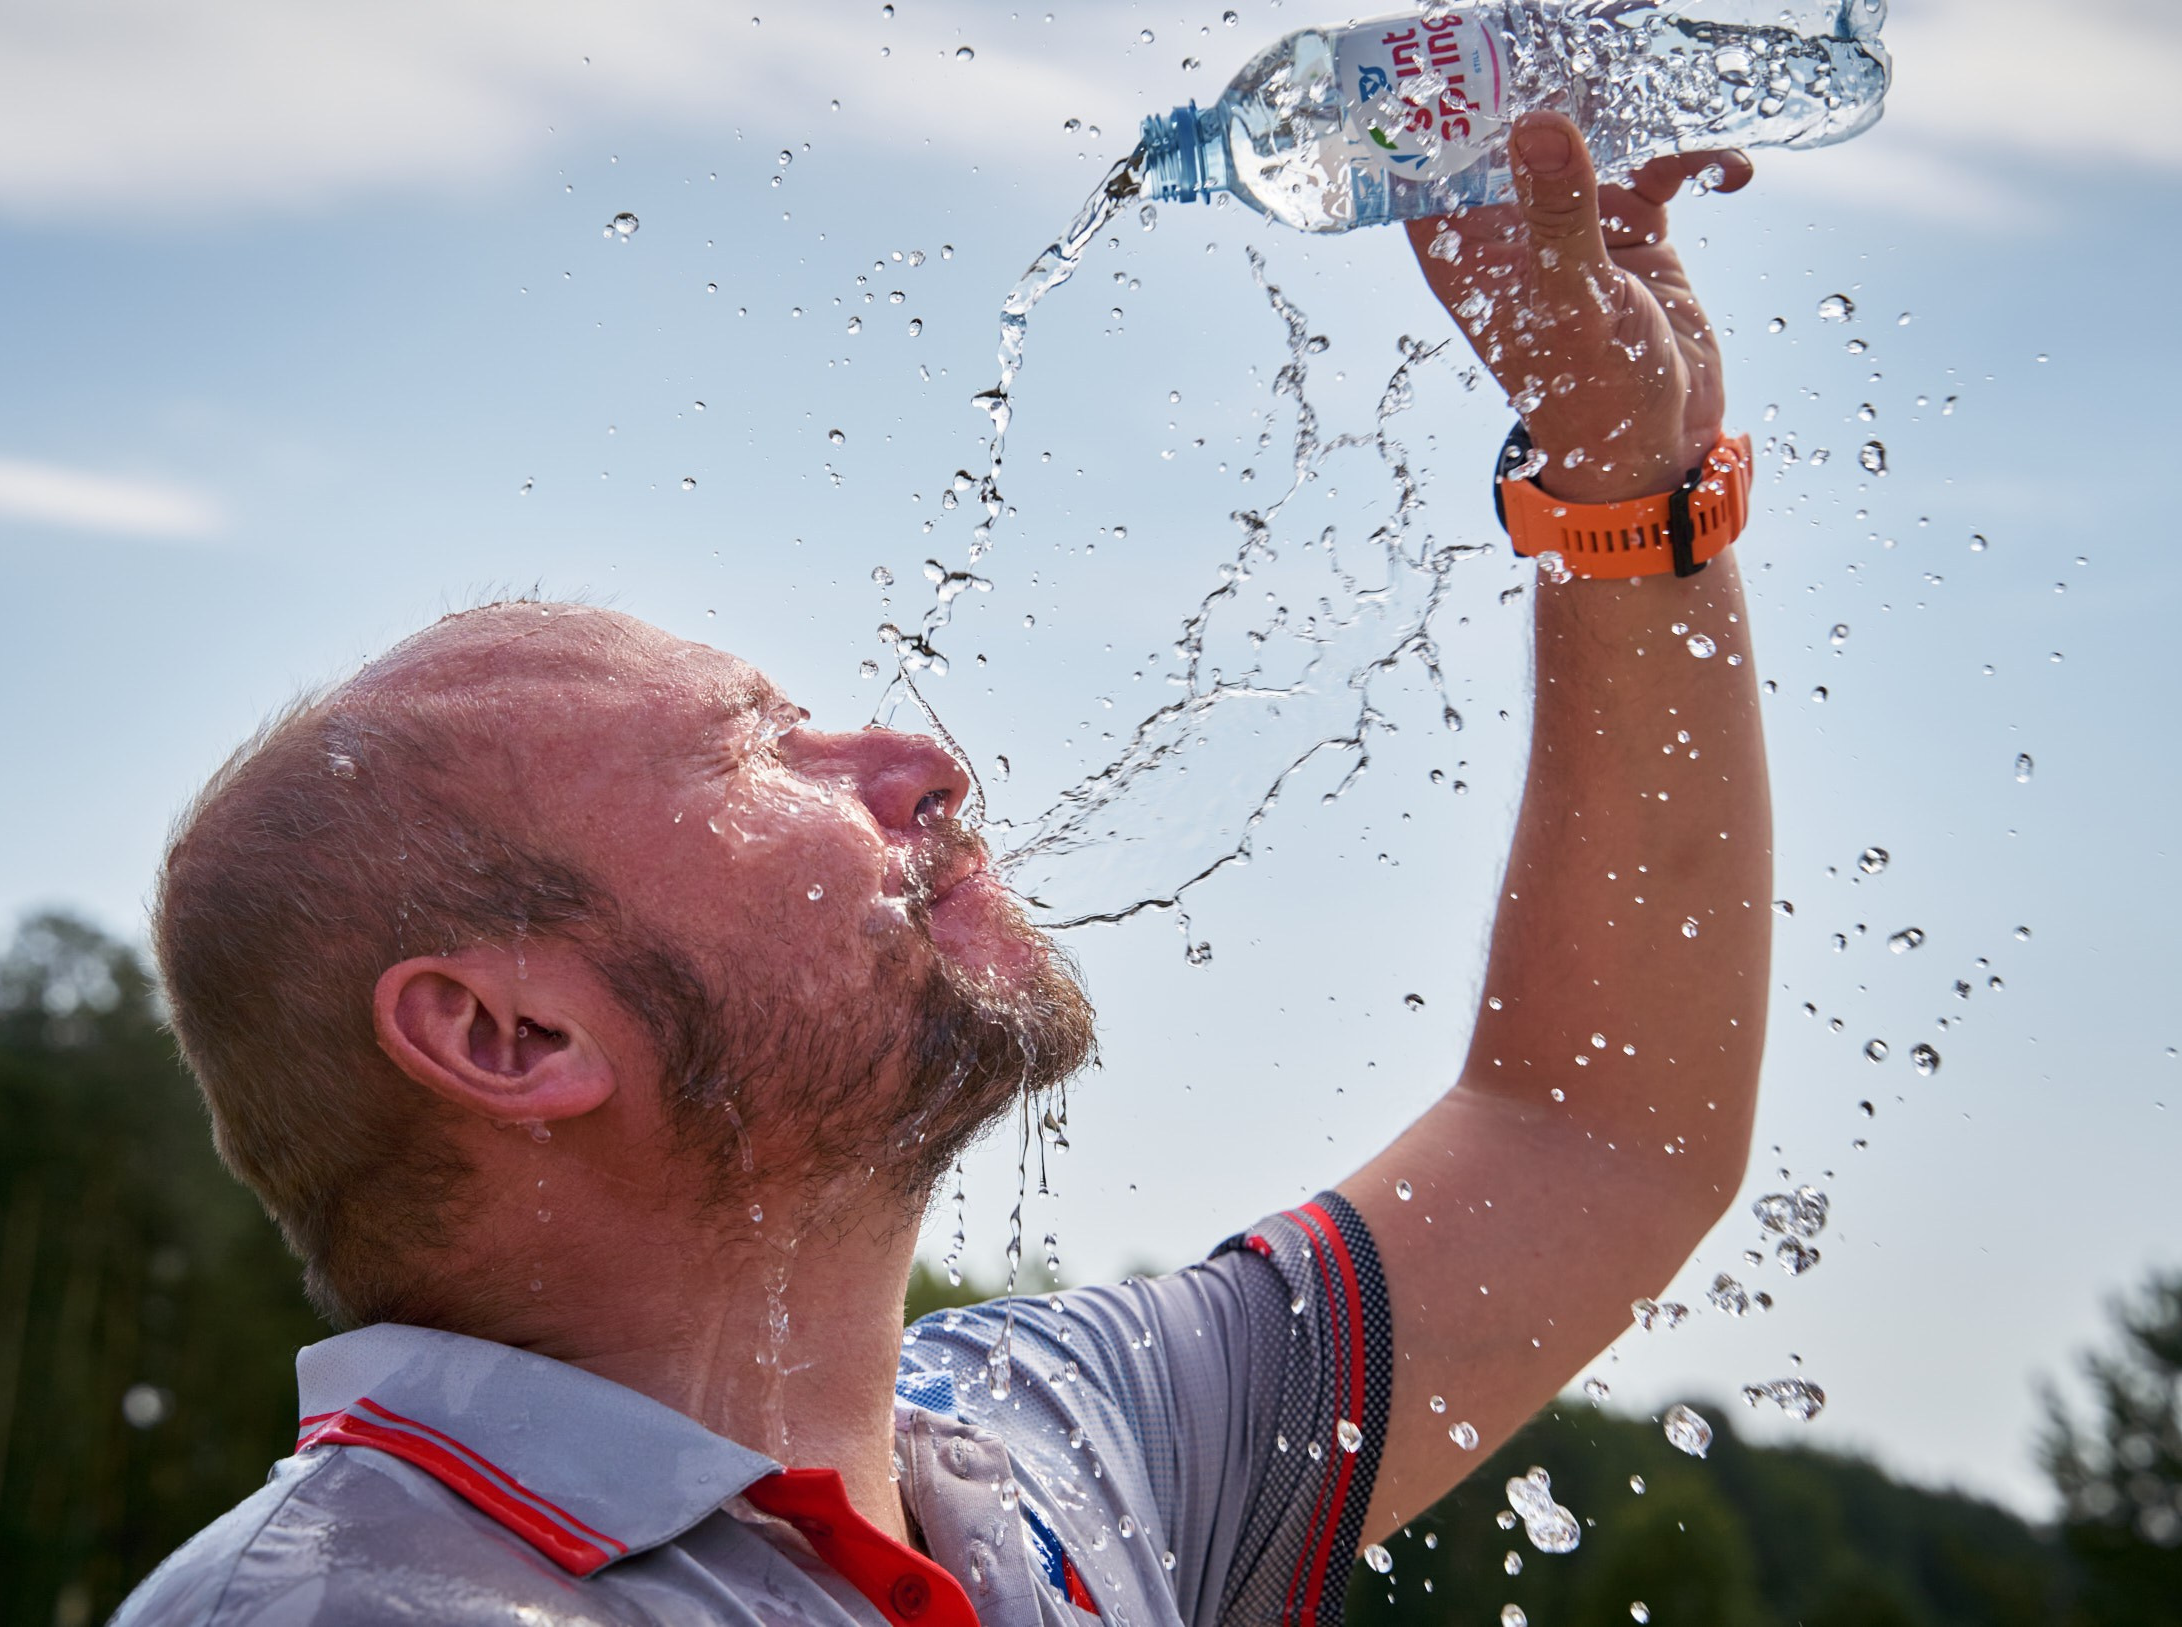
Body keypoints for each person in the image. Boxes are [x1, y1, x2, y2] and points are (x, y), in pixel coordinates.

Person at [114, 113, 1771, 1627]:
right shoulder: (361, 1607)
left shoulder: (1059, 1448)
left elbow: (1598, 1134)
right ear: (511, 1040)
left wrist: (1631, 501)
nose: (924, 766)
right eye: (759, 753)